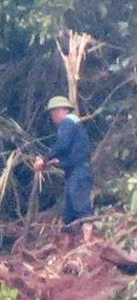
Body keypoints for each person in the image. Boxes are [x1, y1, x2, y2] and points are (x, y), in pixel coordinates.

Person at [33, 96, 94, 233]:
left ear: (65, 110)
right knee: (70, 211)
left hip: (79, 171)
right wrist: (55, 162)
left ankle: (89, 240)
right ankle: (72, 241)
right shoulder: (73, 125)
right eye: (52, 113)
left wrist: (44, 158)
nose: (53, 116)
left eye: (55, 111)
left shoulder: (68, 122)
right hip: (74, 171)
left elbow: (62, 145)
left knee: (81, 207)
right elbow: (71, 150)